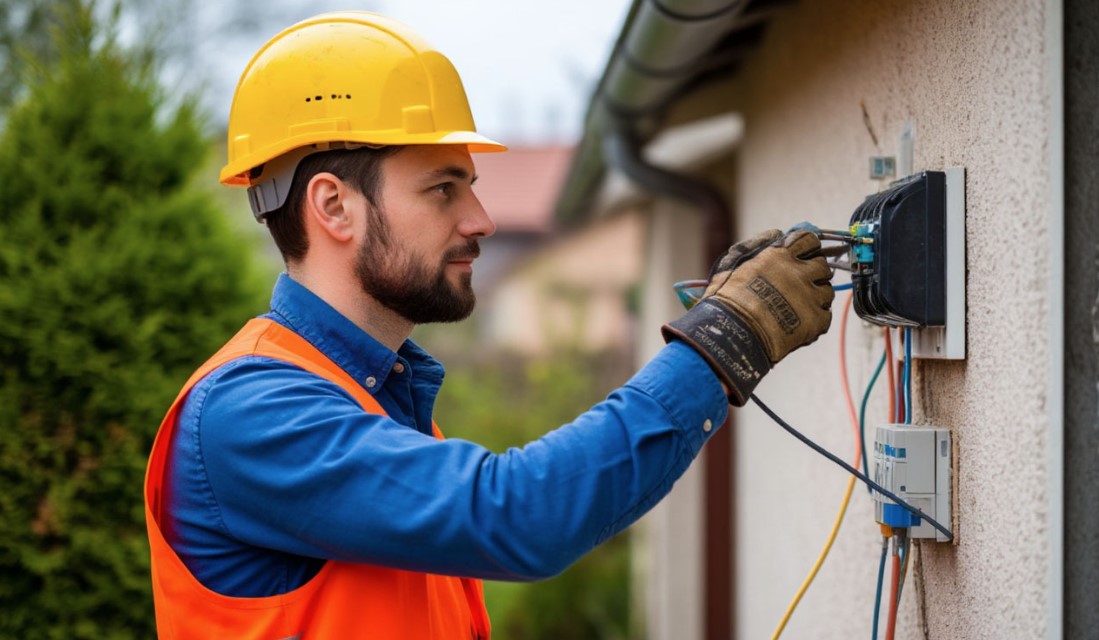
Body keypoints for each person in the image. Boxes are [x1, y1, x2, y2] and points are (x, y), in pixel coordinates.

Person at [143, 11, 834, 640]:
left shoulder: (375, 398)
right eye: (443, 188)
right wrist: (721, 344)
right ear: (334, 208)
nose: (480, 219)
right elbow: (517, 517)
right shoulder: (252, 413)